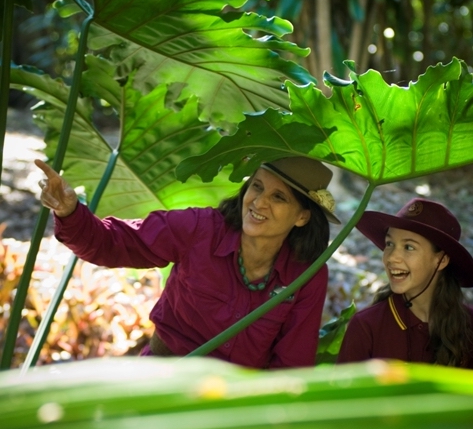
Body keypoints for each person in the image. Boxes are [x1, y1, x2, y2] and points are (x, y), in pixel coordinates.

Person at [35, 156, 341, 369]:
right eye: (257, 187)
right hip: (161, 379)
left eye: (279, 198)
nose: (259, 202)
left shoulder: (308, 274)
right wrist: (70, 213)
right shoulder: (201, 228)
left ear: (302, 217)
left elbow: (290, 363)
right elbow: (114, 244)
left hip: (233, 407)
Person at [337, 197, 473, 368]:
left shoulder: (469, 325)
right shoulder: (366, 327)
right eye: (389, 243)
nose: (392, 257)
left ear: (442, 260)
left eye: (409, 247)